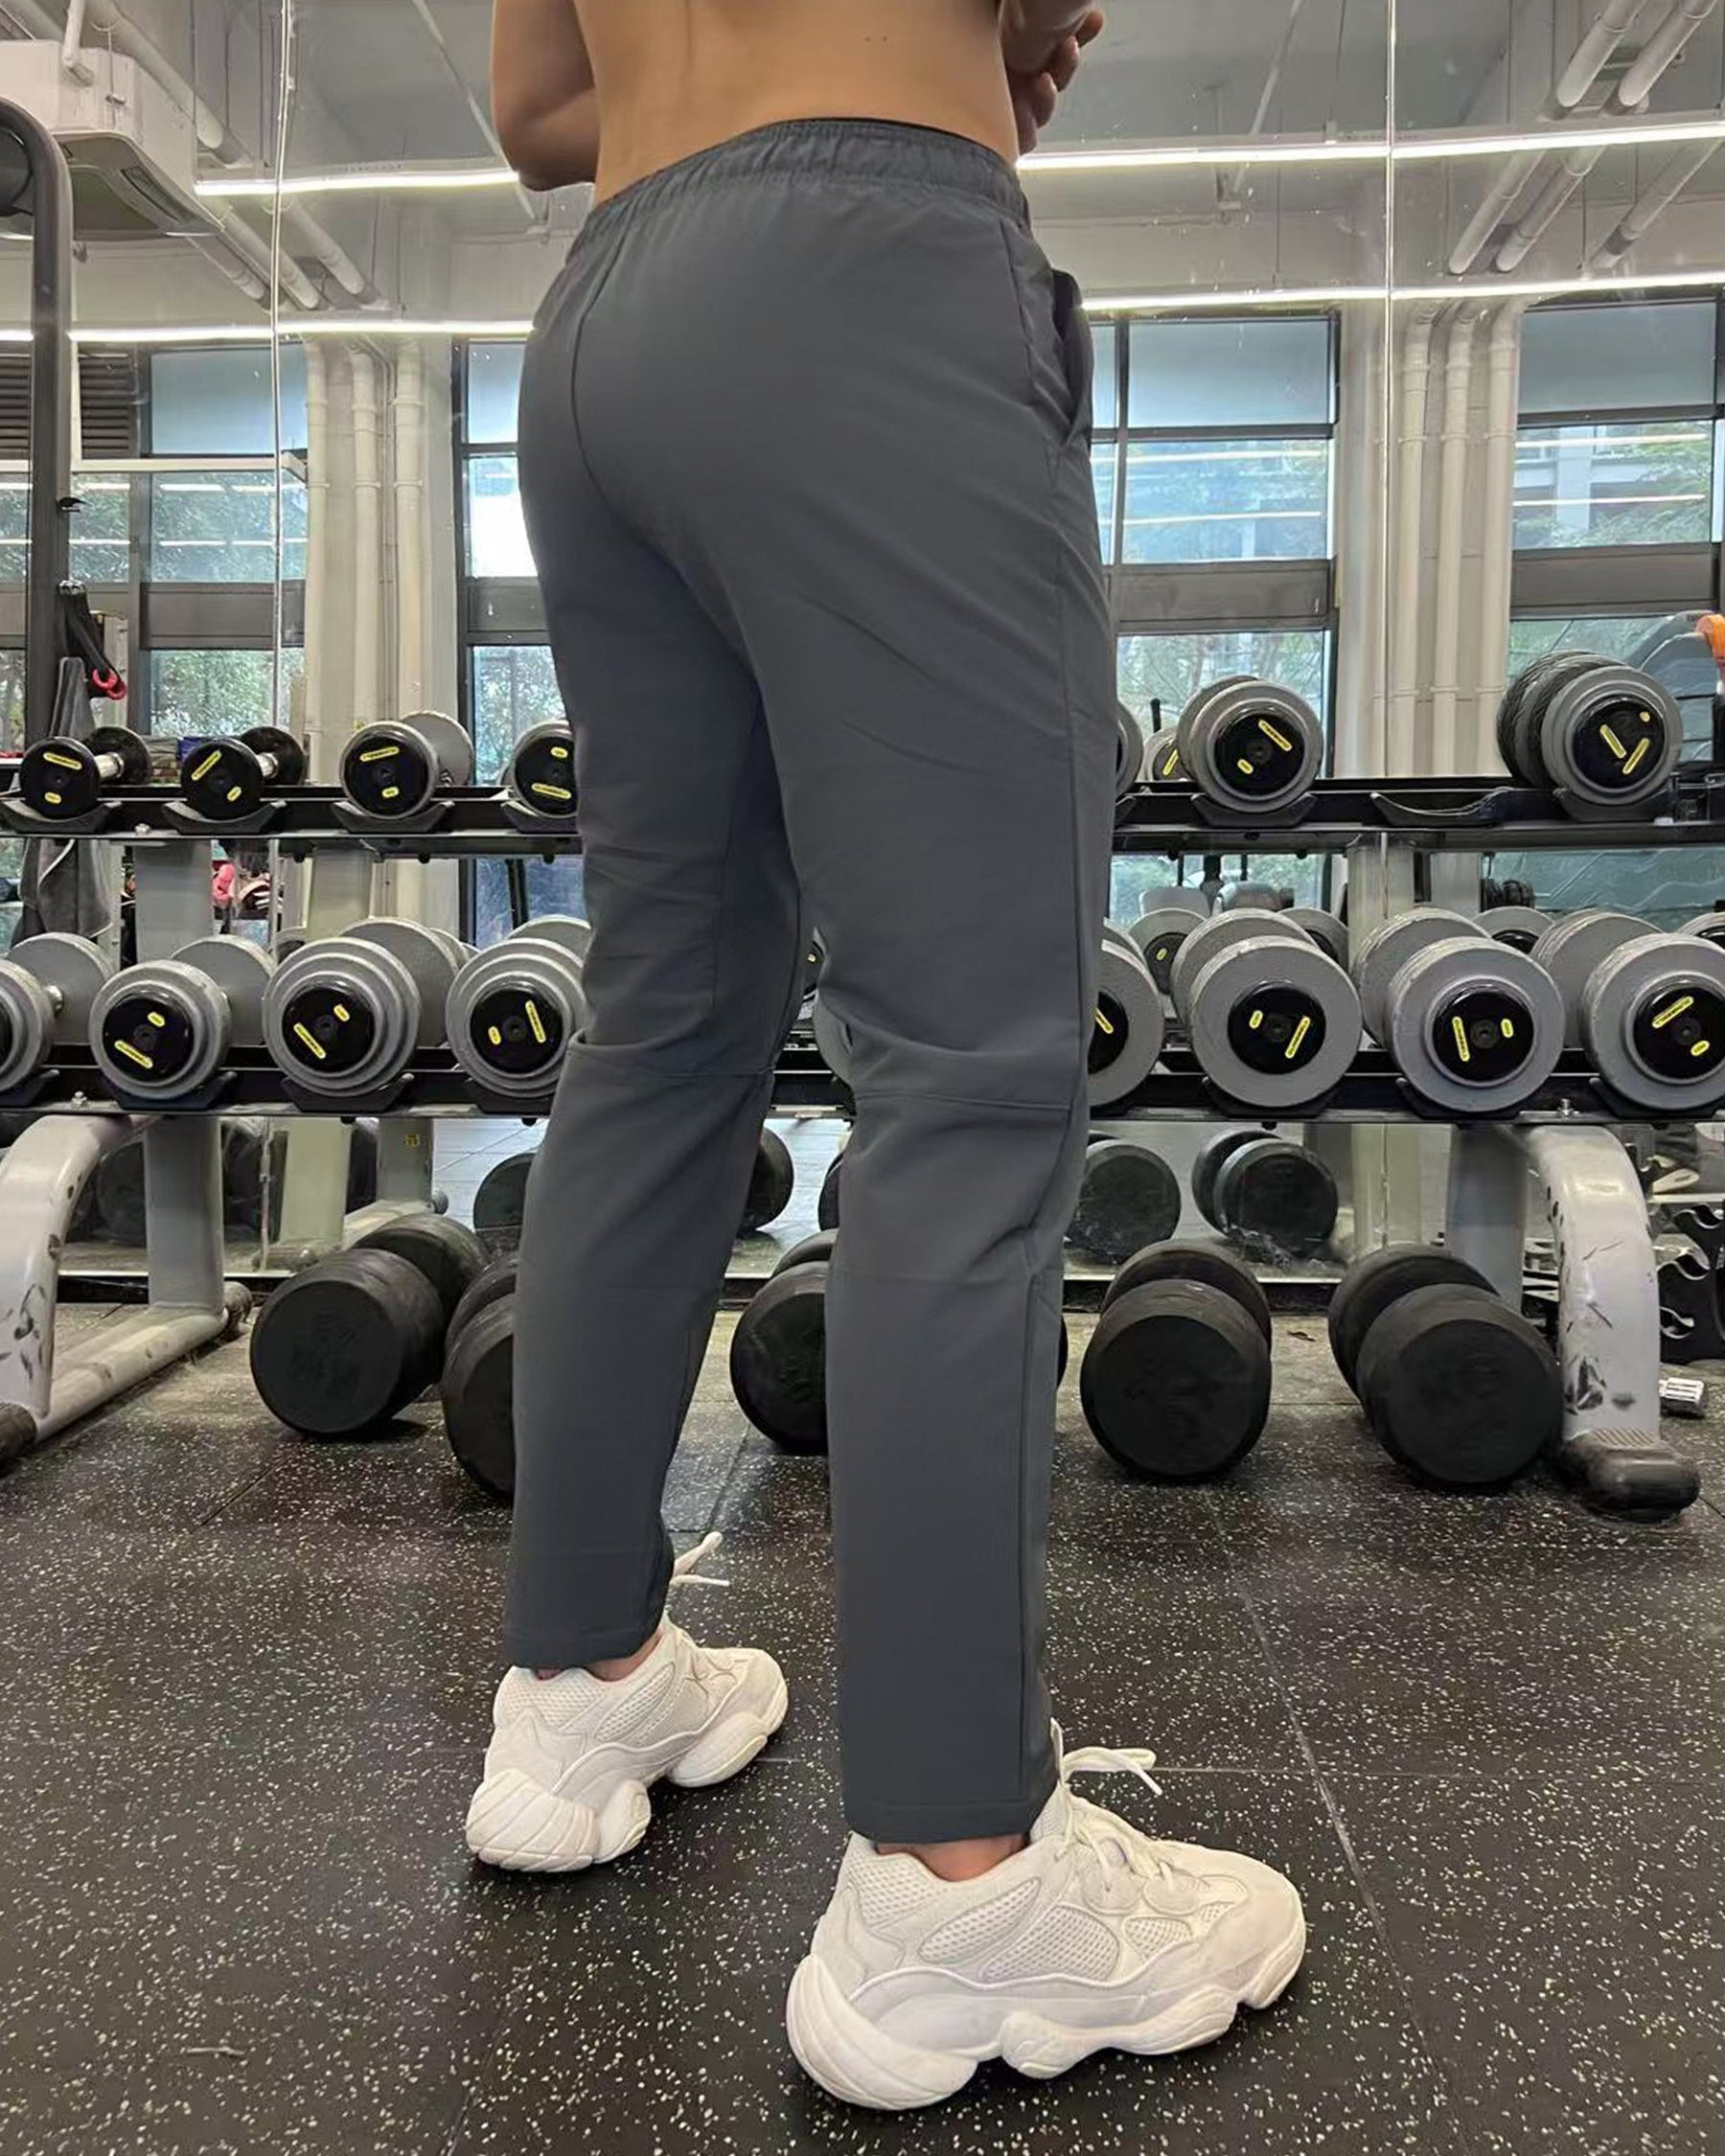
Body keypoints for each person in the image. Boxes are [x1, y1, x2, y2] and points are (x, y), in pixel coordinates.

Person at [472, 0, 1304, 2109]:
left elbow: (535, 111)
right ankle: (960, 1875)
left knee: (664, 1026)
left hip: (602, 328)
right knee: (973, 1072)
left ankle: (579, 1684)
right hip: (860, 276)